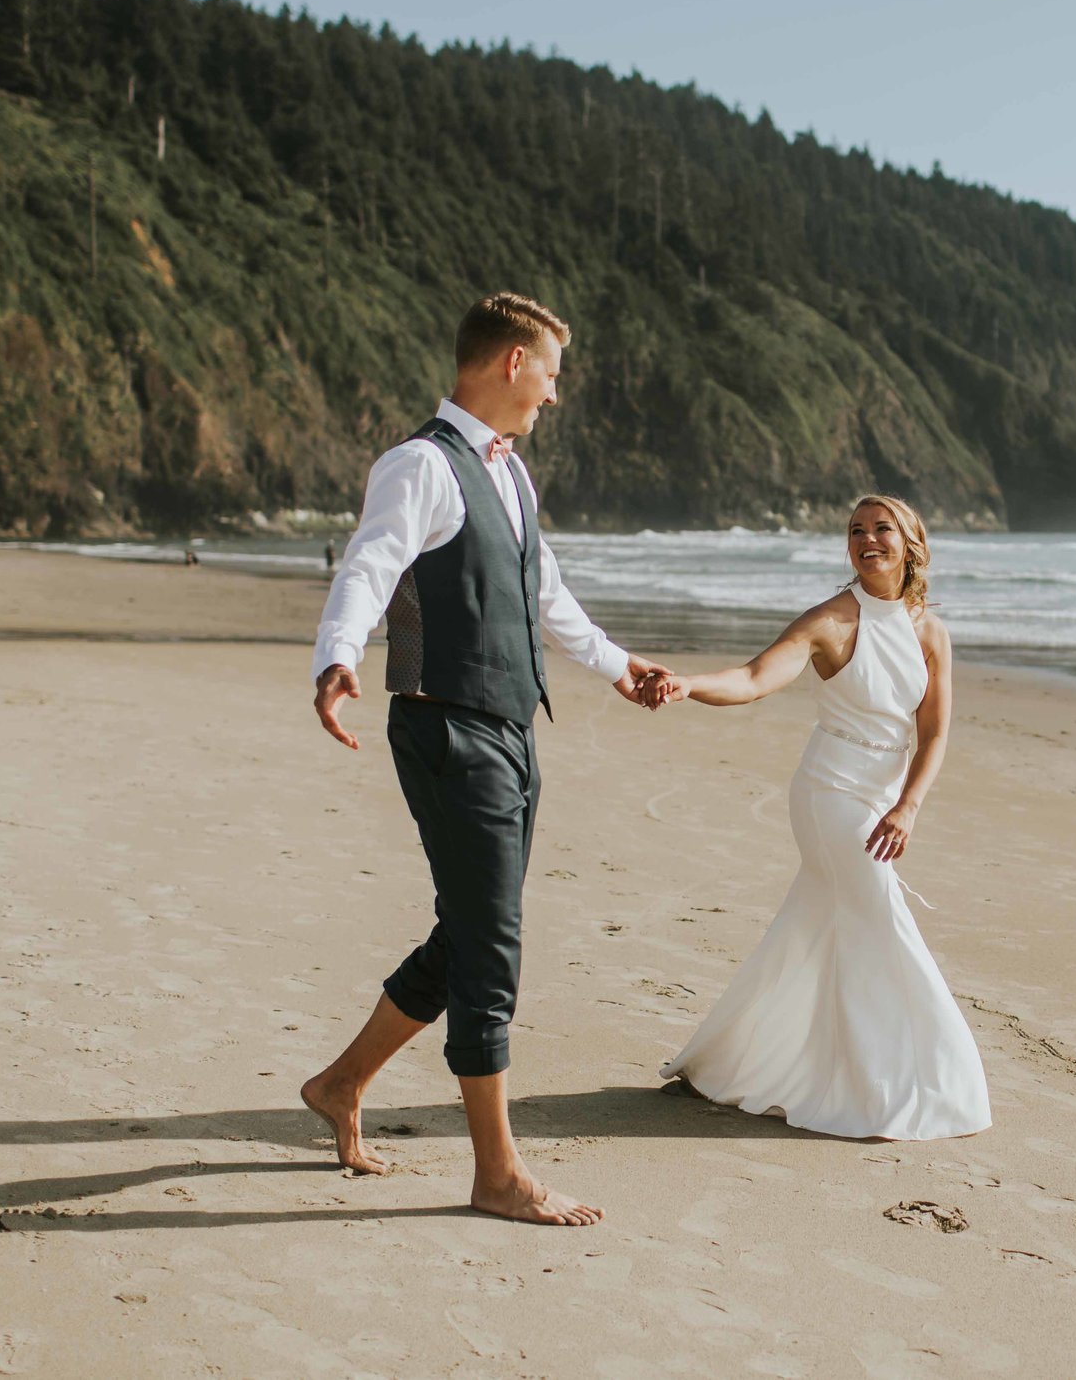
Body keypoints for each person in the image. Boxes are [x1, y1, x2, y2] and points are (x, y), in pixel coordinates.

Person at [301, 291, 675, 1226]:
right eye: (550, 372)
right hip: (446, 729)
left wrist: (620, 668)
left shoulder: (513, 477)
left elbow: (545, 594)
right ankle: (497, 1171)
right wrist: (337, 656)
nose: (554, 394)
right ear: (513, 363)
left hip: (511, 727)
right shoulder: (422, 464)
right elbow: (370, 564)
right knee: (493, 947)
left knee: (472, 929)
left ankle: (342, 1082)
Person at [643, 496, 990, 1141]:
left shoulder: (930, 630)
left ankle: (729, 1060)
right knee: (880, 924)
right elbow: (751, 678)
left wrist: (908, 806)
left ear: (910, 540)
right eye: (855, 531)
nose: (866, 540)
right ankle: (897, 1088)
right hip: (830, 794)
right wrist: (688, 684)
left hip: (885, 795)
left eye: (881, 528)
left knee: (814, 931)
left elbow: (935, 731)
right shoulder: (832, 621)